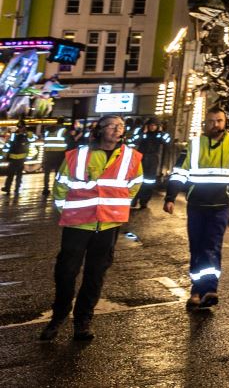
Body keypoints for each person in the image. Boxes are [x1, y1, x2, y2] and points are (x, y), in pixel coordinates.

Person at [42, 115, 142, 341]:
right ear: (99, 130)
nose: (118, 130)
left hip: (108, 225)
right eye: (112, 126)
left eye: (121, 126)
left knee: (95, 275)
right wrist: (68, 211)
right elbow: (61, 186)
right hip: (78, 223)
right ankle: (58, 317)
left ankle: (83, 321)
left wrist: (118, 208)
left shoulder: (131, 156)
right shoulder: (78, 155)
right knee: (66, 272)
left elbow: (135, 184)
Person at [164, 106, 229, 307]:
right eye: (211, 121)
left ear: (226, 123)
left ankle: (210, 290)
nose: (215, 125)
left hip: (221, 204)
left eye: (219, 121)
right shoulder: (194, 145)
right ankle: (196, 291)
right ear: (205, 124)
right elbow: (179, 172)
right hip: (197, 204)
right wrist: (170, 196)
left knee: (212, 246)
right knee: (197, 247)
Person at [132, 121, 170, 209]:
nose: (152, 127)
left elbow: (167, 142)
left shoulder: (159, 135)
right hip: (141, 158)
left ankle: (144, 201)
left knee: (149, 182)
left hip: (152, 160)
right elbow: (135, 140)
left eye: (154, 125)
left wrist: (161, 132)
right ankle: (134, 200)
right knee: (137, 180)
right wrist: (143, 132)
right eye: (151, 125)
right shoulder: (142, 133)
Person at [3, 123, 34, 194]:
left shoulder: (15, 135)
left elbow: (8, 144)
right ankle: (15, 189)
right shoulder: (26, 135)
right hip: (20, 159)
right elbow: (32, 139)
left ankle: (8, 188)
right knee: (18, 175)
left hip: (14, 158)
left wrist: (4, 155)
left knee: (11, 175)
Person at [39, 119, 71, 186]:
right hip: (59, 154)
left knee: (47, 173)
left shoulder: (47, 131)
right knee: (58, 172)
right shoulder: (63, 131)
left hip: (48, 154)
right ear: (62, 124)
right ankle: (55, 187)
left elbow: (43, 138)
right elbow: (69, 142)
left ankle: (45, 189)